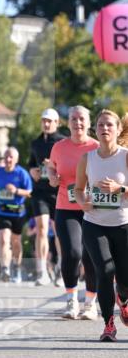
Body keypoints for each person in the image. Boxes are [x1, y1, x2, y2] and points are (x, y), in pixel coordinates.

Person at [75, 109, 128, 342]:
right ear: (94, 130)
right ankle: (108, 325)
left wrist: (120, 189)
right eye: (100, 125)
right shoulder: (88, 158)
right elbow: (77, 189)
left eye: (109, 125)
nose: (104, 129)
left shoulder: (126, 157)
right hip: (94, 224)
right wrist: (82, 201)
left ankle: (124, 299)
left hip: (123, 225)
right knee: (104, 272)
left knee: (125, 279)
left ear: (117, 130)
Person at [47, 106, 99, 319]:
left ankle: (90, 303)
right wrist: (52, 177)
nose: (77, 123)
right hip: (66, 207)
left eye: (81, 119)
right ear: (67, 123)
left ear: (89, 124)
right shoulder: (59, 147)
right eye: (73, 119)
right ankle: (71, 300)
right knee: (72, 253)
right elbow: (51, 167)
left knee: (90, 256)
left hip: (92, 208)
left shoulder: (96, 146)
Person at [29, 108, 65, 286]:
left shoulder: (62, 142)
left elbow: (68, 167)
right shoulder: (35, 143)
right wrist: (32, 171)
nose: (46, 123)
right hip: (39, 191)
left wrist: (53, 166)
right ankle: (41, 271)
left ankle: (60, 269)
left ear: (57, 123)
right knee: (42, 229)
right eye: (44, 120)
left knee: (58, 230)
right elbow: (30, 163)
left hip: (57, 192)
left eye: (50, 121)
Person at [0, 147, 32, 283]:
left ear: (16, 160)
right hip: (1, 211)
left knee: (16, 242)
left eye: (11, 157)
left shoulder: (22, 173)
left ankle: (16, 268)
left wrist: (16, 190)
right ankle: (5, 268)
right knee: (4, 239)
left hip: (17, 212)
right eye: (6, 156)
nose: (8, 159)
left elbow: (29, 192)